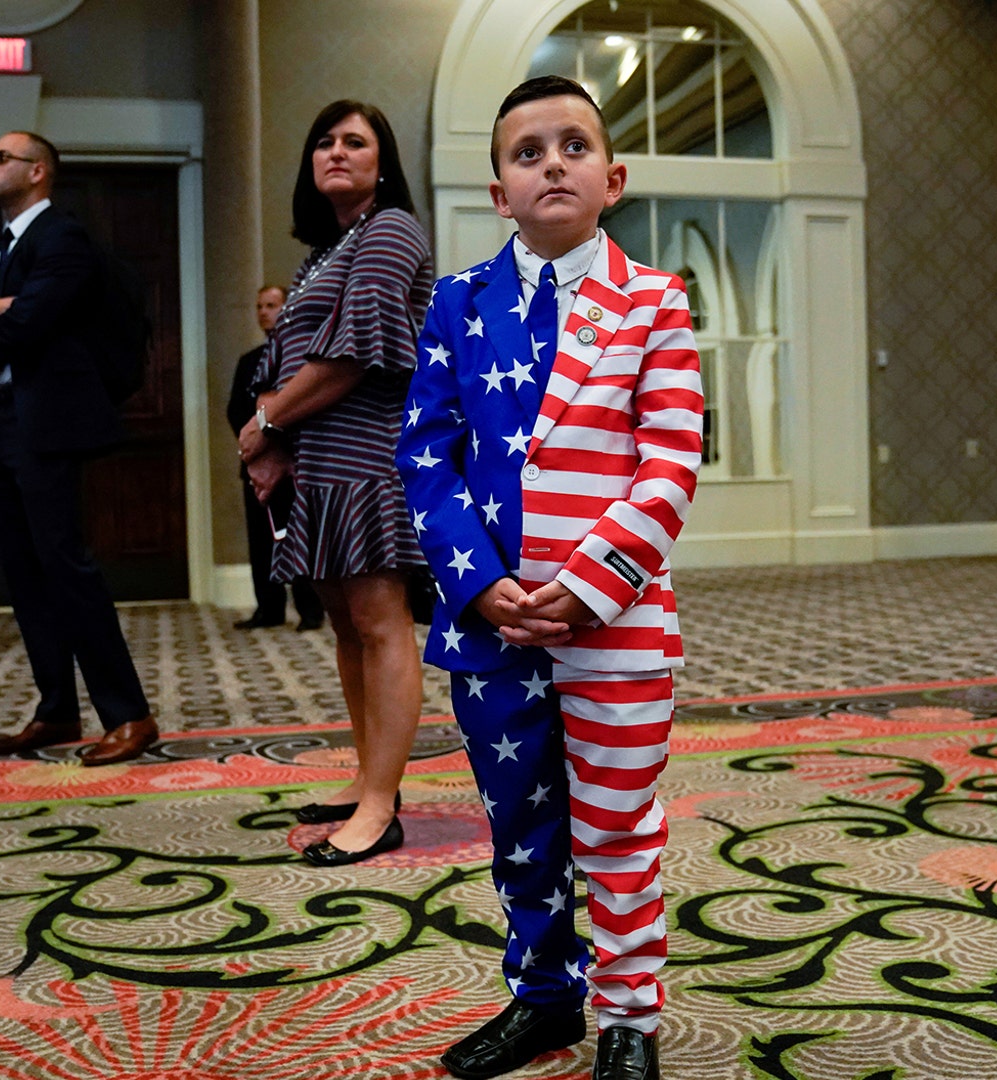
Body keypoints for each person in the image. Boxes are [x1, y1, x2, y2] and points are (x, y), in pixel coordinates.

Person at [396, 76, 704, 1080]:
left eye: (574, 146)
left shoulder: (655, 302)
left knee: (617, 822)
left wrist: (589, 584)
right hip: (491, 629)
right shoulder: (454, 304)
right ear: (499, 191)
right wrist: (478, 584)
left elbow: (671, 458)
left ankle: (628, 1017)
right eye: (528, 152)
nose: (553, 163)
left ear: (612, 179)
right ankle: (544, 1000)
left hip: (612, 625)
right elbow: (424, 455)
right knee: (520, 821)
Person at [236, 100, 430, 866]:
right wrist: (274, 437)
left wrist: (266, 426)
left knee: (381, 626)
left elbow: (356, 354)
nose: (338, 152)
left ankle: (382, 806)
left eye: (356, 141)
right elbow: (284, 357)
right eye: (324, 141)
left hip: (369, 457)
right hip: (317, 463)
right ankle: (365, 775)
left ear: (383, 163)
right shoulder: (325, 250)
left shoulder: (390, 230)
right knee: (347, 628)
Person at [0, 130, 156, 767]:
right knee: (23, 574)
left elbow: (30, 326)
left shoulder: (64, 236)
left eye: (1, 158)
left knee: (66, 566)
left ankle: (129, 713)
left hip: (46, 425)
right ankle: (56, 708)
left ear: (37, 172)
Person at [226, 283, 323, 631]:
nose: (264, 312)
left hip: (297, 462)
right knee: (261, 540)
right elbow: (236, 410)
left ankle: (310, 610)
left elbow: (302, 404)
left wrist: (270, 414)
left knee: (299, 536)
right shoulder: (249, 361)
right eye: (259, 306)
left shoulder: (302, 358)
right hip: (256, 465)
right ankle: (268, 609)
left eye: (271, 305)